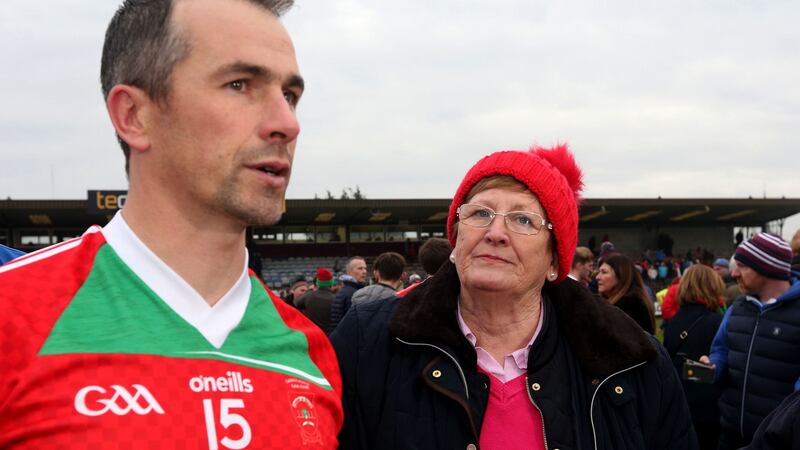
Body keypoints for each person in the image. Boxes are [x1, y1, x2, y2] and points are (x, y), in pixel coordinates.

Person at [0, 1, 343, 447]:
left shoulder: (309, 348)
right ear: (134, 116)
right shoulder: (14, 314)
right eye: (240, 85)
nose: (287, 123)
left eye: (290, 96)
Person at [331, 145, 697, 449]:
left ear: (554, 261)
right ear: (456, 240)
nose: (496, 232)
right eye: (480, 213)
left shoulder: (633, 361)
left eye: (523, 220)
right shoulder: (367, 341)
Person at [700, 232, 800, 450]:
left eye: (743, 266)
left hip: (777, 440)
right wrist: (713, 365)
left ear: (767, 268)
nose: (734, 273)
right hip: (730, 433)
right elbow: (721, 350)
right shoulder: (737, 307)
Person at [663, 265, 726, 450]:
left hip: (678, 402)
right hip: (708, 408)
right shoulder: (716, 321)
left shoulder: (675, 320)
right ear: (713, 285)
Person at [596, 254, 657, 334]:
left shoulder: (632, 306)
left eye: (604, 272)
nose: (597, 277)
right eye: (599, 272)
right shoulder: (611, 303)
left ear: (620, 275)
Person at [327, 256, 366, 333]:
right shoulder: (352, 293)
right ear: (349, 272)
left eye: (365, 268)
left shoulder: (349, 290)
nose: (364, 271)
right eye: (360, 268)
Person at [298, 267, 336, 332]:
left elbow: (298, 304)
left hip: (312, 333)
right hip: (329, 335)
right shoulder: (335, 299)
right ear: (331, 284)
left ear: (317, 284)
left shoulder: (309, 295)